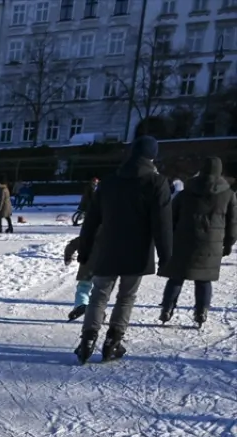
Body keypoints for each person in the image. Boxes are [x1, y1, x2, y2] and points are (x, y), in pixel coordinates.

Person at [75, 136, 172, 363]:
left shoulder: (109, 181)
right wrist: (166, 256)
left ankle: (87, 340)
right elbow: (163, 224)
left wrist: (85, 248)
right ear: (153, 156)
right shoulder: (157, 183)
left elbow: (92, 220)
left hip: (108, 248)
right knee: (126, 297)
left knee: (98, 295)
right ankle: (113, 342)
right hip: (137, 250)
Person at [158, 157, 236, 329]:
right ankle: (201, 312)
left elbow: (172, 215)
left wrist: (170, 236)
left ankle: (167, 308)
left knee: (176, 277)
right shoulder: (228, 195)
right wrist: (229, 242)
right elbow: (232, 222)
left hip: (184, 239)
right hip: (211, 244)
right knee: (203, 279)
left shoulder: (187, 191)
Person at [63, 236, 96, 322]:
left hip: (87, 266)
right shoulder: (112, 234)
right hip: (105, 267)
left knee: (83, 287)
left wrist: (68, 257)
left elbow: (72, 245)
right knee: (101, 291)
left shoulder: (88, 234)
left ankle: (81, 304)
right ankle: (97, 311)